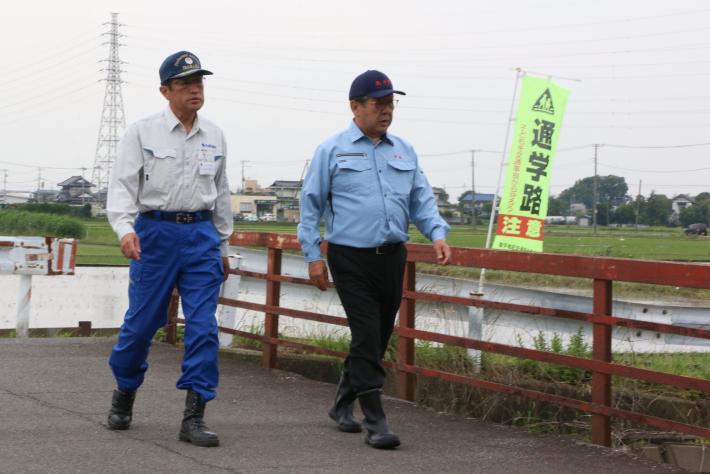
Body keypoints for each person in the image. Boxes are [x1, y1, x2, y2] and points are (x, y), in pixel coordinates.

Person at [297, 70, 451, 449]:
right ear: (355, 107)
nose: (386, 111)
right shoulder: (331, 150)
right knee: (366, 334)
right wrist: (313, 255)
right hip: (350, 257)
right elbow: (309, 204)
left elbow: (421, 199)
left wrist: (437, 233)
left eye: (390, 104)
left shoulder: (404, 150)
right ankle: (377, 421)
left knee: (377, 337)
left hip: (391, 257)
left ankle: (341, 403)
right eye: (378, 104)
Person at [105, 51, 232, 448]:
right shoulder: (141, 133)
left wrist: (224, 243)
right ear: (165, 90)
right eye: (185, 83)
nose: (195, 89)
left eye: (200, 82)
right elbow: (122, 186)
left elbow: (222, 193)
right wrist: (125, 229)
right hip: (154, 236)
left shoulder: (215, 135)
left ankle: (194, 415)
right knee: (141, 325)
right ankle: (125, 390)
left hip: (200, 236)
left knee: (203, 326)